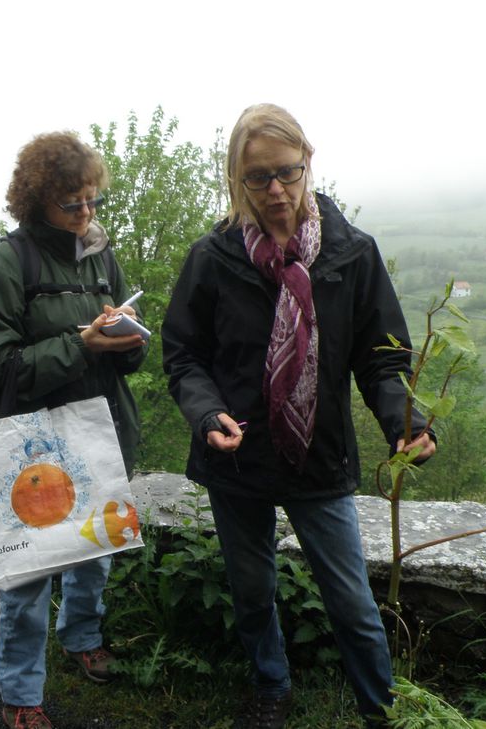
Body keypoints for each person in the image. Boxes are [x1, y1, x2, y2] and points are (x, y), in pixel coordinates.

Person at [161, 103, 436, 729]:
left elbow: (383, 358)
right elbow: (183, 356)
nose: (276, 190)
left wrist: (406, 421)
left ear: (309, 164)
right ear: (236, 179)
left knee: (352, 602)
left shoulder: (350, 254)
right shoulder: (213, 258)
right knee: (253, 590)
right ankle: (271, 686)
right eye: (257, 178)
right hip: (236, 455)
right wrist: (207, 414)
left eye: (287, 171)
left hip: (319, 453)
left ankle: (381, 710)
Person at [0, 132, 147, 729]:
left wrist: (125, 339)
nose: (85, 214)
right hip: (32, 446)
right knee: (31, 571)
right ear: (36, 200)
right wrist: (79, 344)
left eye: (92, 200)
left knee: (95, 550)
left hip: (100, 432)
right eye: (72, 204)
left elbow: (127, 358)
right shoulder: (5, 265)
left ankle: (82, 637)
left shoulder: (99, 254)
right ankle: (21, 695)